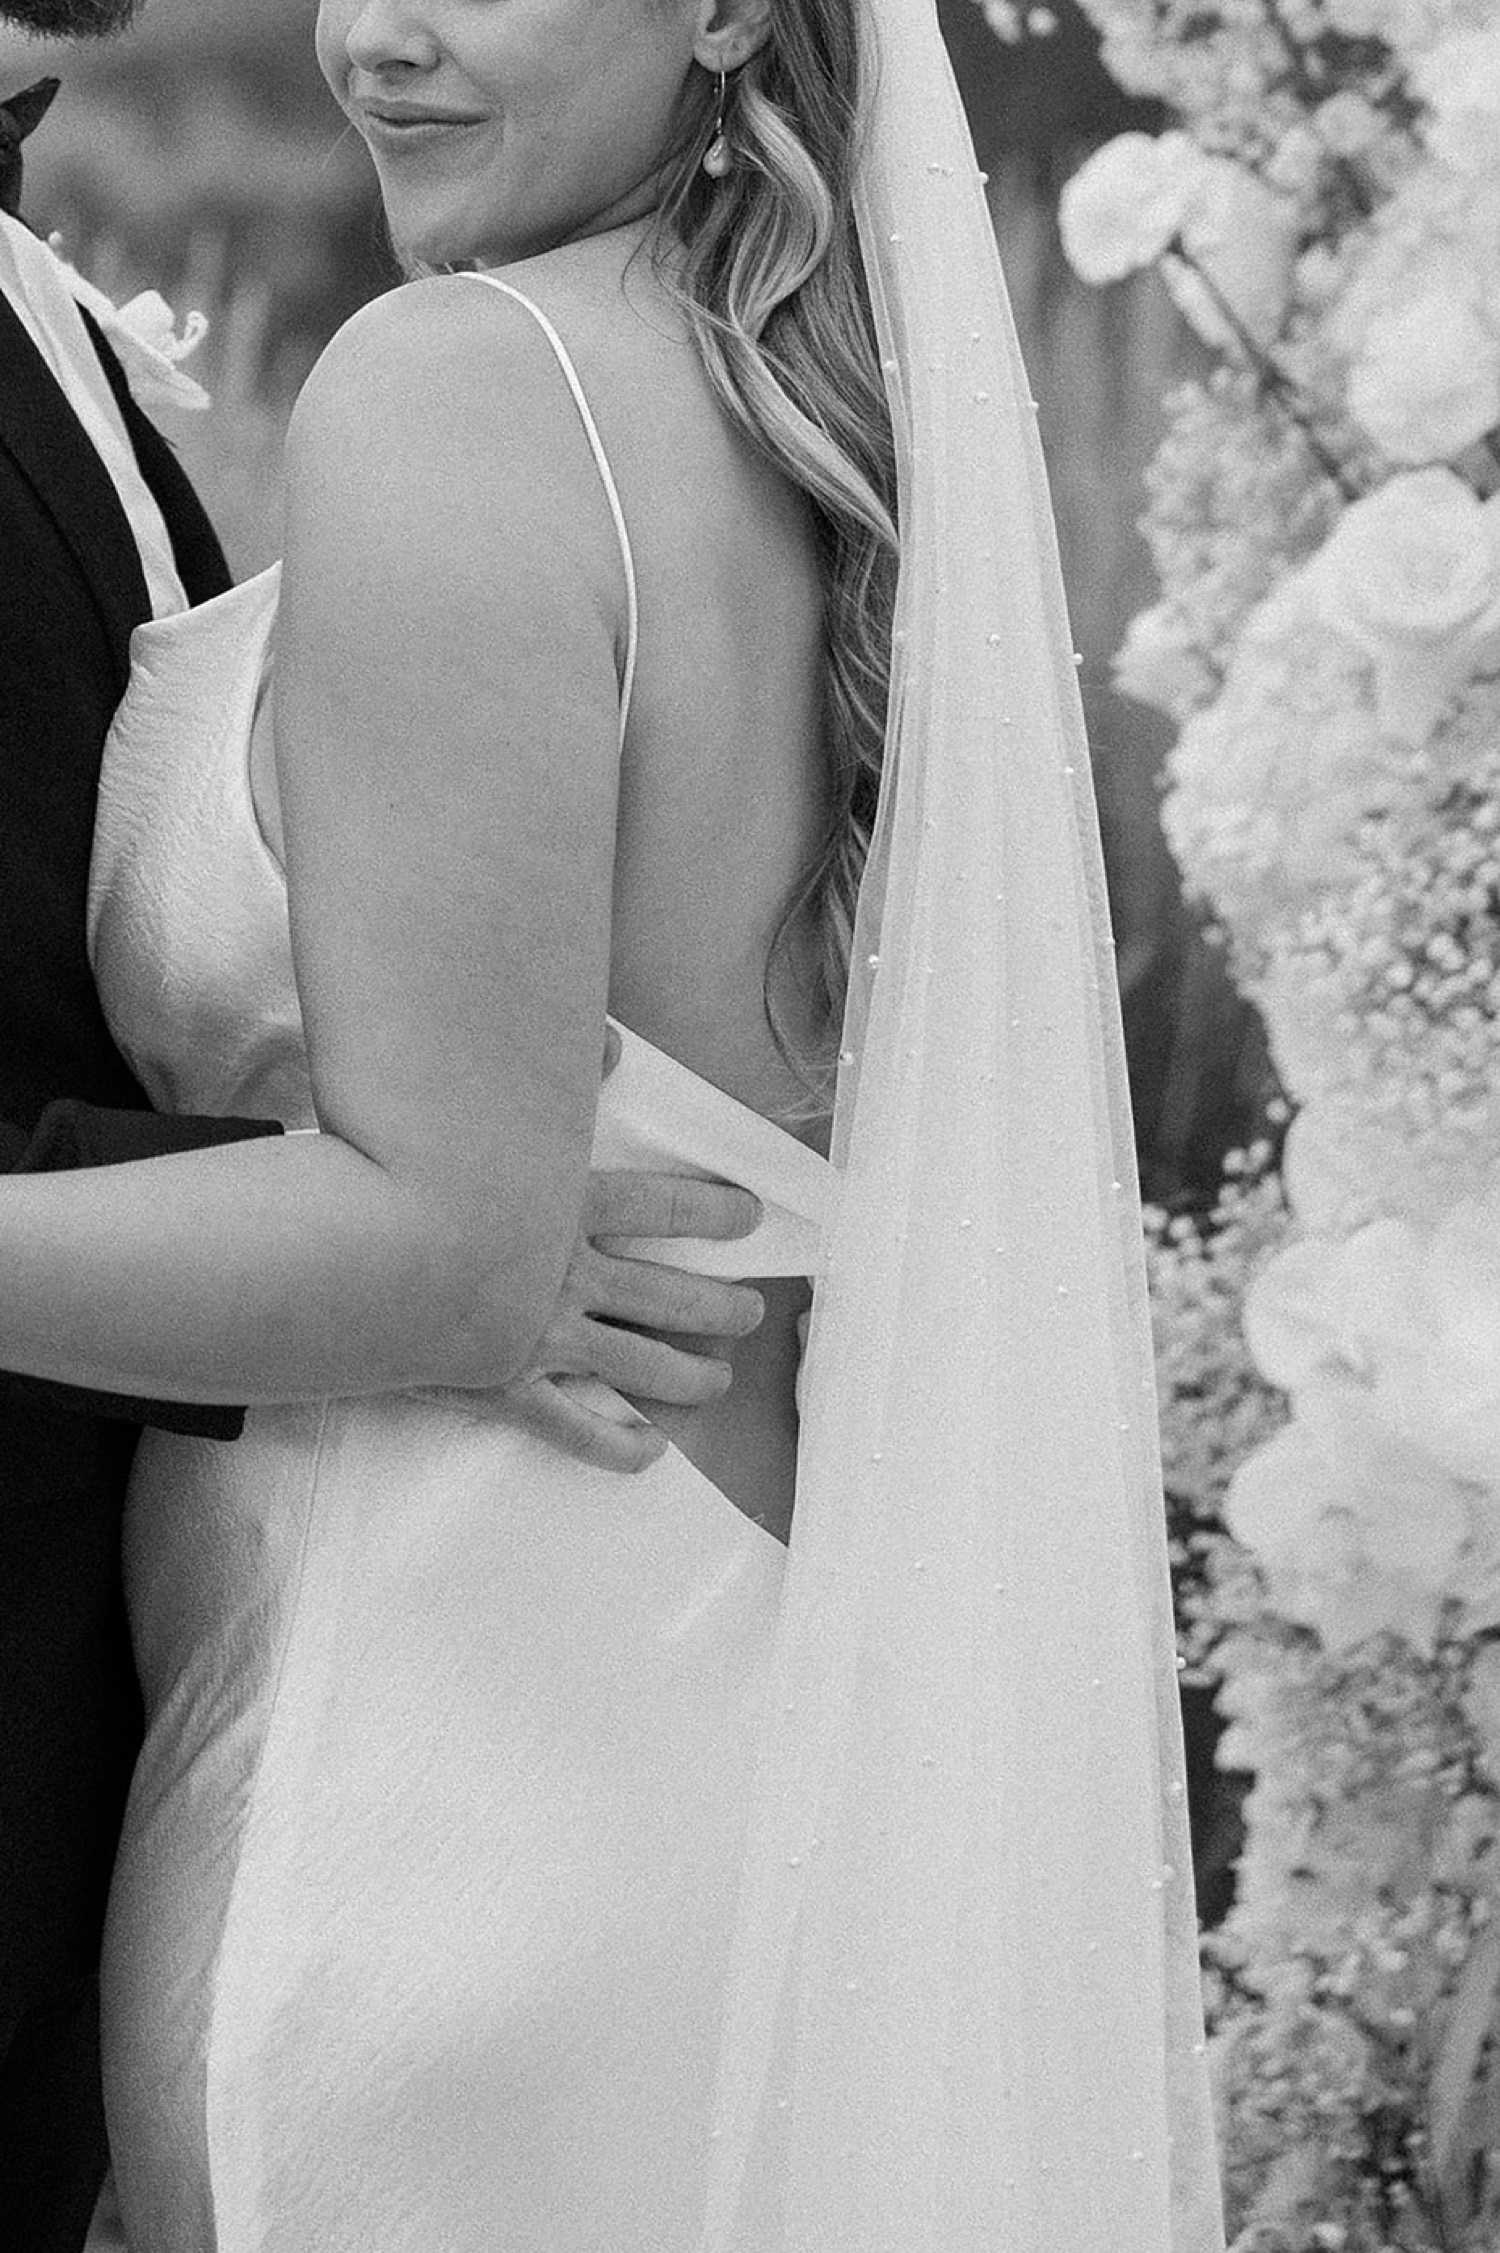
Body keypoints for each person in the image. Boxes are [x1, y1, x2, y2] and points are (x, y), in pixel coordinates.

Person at [0, 0, 1228, 2246]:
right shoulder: (813, 395)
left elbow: (445, 1249)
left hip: (445, 1773)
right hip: (718, 1716)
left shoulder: (455, 386)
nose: (381, 37)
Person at [0, 9, 768, 2248]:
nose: (375, 30)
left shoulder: (482, 386)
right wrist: (391, 1243)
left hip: (450, 1713)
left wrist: (408, 1223)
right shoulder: (765, 391)